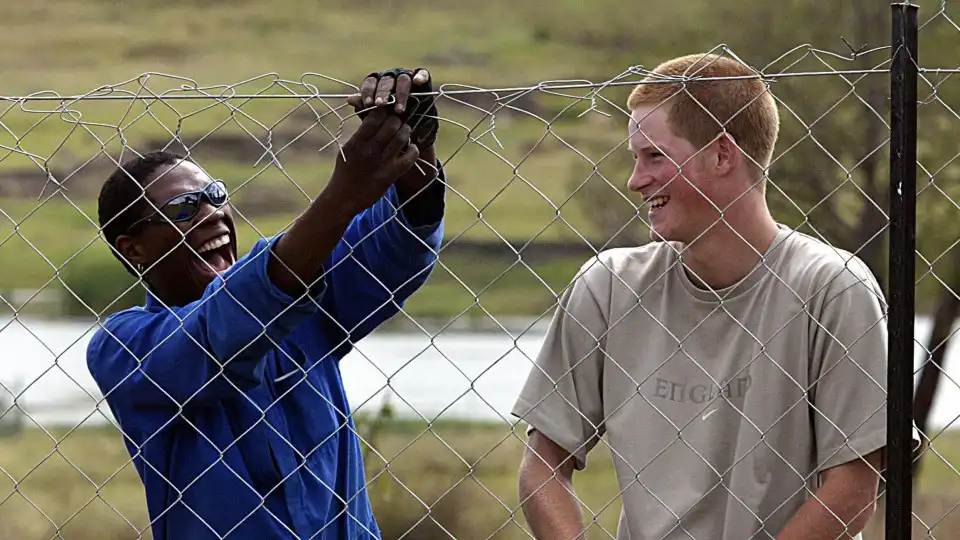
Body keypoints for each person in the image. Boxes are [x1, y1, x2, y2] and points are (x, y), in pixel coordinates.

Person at [511, 53, 896, 540]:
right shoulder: (607, 287)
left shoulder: (832, 288)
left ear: (722, 155)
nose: (635, 180)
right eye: (636, 158)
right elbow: (542, 465)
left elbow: (855, 484)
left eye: (655, 156)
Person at [87, 68, 444, 539]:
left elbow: (394, 247)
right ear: (134, 248)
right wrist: (342, 195)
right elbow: (223, 328)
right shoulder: (124, 348)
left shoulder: (305, 300)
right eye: (183, 208)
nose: (213, 213)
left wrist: (410, 148)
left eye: (215, 196)